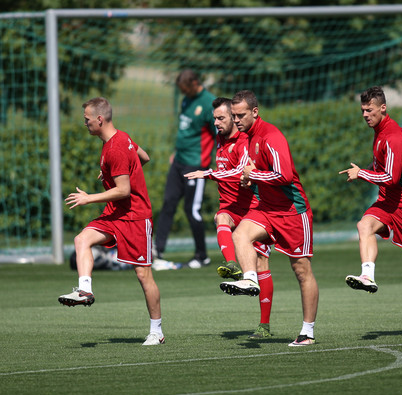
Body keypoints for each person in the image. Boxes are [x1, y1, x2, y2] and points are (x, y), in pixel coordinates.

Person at [57, 97, 165, 346]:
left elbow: (124, 190)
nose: (84, 123)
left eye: (86, 120)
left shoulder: (115, 147)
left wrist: (88, 198)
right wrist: (114, 170)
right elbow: (144, 157)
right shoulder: (120, 138)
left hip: (135, 217)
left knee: (143, 275)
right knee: (81, 239)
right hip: (115, 215)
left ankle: (156, 331)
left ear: (99, 119)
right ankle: (85, 290)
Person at [219, 90, 319, 347]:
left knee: (301, 270)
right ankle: (250, 278)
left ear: (255, 112)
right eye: (234, 115)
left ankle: (307, 332)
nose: (236, 120)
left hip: (292, 211)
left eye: (240, 115)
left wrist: (252, 176)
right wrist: (246, 177)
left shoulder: (270, 136)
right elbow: (256, 172)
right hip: (266, 209)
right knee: (240, 233)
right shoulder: (248, 137)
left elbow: (284, 176)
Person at [184, 97, 275, 340]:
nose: (217, 122)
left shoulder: (244, 141)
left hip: (254, 209)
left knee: (261, 265)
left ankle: (264, 325)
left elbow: (240, 171)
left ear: (235, 119)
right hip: (232, 207)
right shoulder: (220, 139)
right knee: (221, 217)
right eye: (215, 118)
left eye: (221, 118)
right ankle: (233, 266)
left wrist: (208, 174)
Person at [339, 86, 402, 331]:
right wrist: (371, 166)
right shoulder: (382, 131)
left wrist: (362, 173)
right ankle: (367, 275)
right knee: (364, 225)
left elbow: (391, 177)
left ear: (383, 108)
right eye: (363, 111)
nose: (365, 115)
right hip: (388, 202)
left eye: (370, 110)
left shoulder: (392, 135)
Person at [153, 69, 216, 269]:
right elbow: (185, 131)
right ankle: (157, 250)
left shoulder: (209, 103)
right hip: (178, 161)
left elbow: (219, 135)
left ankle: (201, 255)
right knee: (168, 203)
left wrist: (214, 162)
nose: (183, 93)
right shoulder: (186, 100)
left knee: (192, 210)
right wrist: (175, 152)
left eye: (185, 89)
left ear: (195, 83)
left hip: (195, 165)